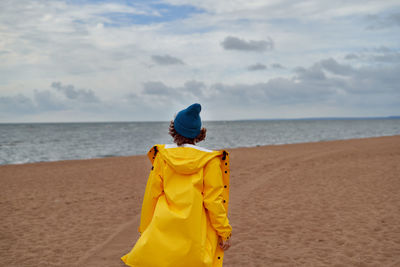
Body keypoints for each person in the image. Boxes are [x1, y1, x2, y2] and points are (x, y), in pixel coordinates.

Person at [121, 103, 232, 267]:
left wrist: (144, 230)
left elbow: (152, 195)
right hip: (194, 230)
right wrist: (224, 231)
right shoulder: (210, 161)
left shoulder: (163, 156)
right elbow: (213, 200)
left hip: (163, 226)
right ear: (198, 133)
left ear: (174, 129)